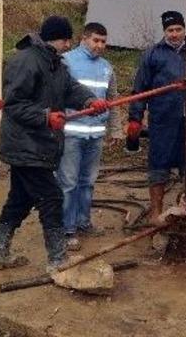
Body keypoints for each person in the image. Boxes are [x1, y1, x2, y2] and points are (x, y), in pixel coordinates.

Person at [0, 15, 107, 273]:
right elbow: (14, 104)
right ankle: (58, 258)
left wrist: (89, 101)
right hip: (26, 145)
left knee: (19, 199)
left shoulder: (54, 63)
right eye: (67, 40)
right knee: (51, 197)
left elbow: (70, 88)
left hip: (38, 145)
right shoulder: (27, 61)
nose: (68, 46)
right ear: (61, 39)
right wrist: (45, 116)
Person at [127, 10, 186, 224]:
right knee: (158, 168)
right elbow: (140, 89)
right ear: (164, 32)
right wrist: (135, 118)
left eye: (178, 29)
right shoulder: (153, 55)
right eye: (170, 30)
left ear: (185, 30)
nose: (174, 34)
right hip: (162, 122)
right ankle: (156, 214)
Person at [57, 22, 122, 251]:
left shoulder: (107, 67)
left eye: (103, 42)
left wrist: (115, 130)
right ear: (84, 39)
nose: (100, 45)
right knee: (69, 183)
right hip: (71, 135)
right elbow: (56, 97)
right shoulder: (66, 62)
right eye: (95, 40)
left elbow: (113, 101)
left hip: (95, 136)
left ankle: (83, 222)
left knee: (88, 183)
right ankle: (67, 229)